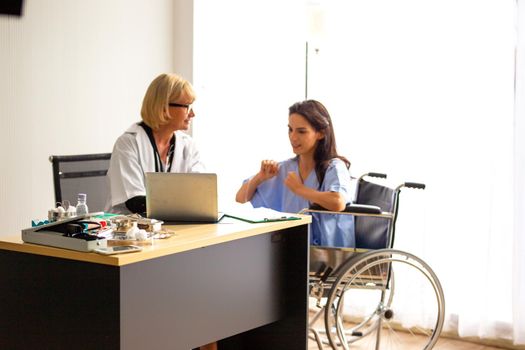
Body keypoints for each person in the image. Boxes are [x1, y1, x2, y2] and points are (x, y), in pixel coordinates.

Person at [236, 100, 355, 247]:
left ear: (321, 133)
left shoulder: (334, 167)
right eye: (290, 129)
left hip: (329, 254)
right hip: (294, 249)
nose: (293, 137)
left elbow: (338, 202)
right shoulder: (285, 169)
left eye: (301, 131)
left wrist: (300, 190)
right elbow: (240, 198)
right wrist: (260, 178)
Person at [105, 73, 205, 215]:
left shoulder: (187, 145)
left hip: (172, 226)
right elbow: (135, 201)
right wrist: (183, 204)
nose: (192, 113)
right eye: (187, 106)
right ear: (164, 107)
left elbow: (201, 192)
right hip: (130, 229)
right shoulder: (129, 143)